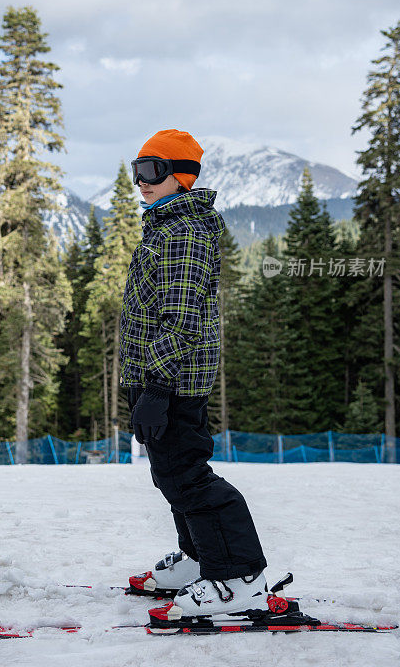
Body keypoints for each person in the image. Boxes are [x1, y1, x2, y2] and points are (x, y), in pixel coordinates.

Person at [119, 128, 268, 619]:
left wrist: (157, 386)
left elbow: (181, 319)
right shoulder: (165, 226)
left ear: (180, 177)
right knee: (171, 475)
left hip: (173, 380)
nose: (141, 181)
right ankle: (200, 557)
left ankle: (238, 579)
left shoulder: (183, 232)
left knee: (188, 477)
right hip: (159, 378)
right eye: (136, 170)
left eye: (152, 170)